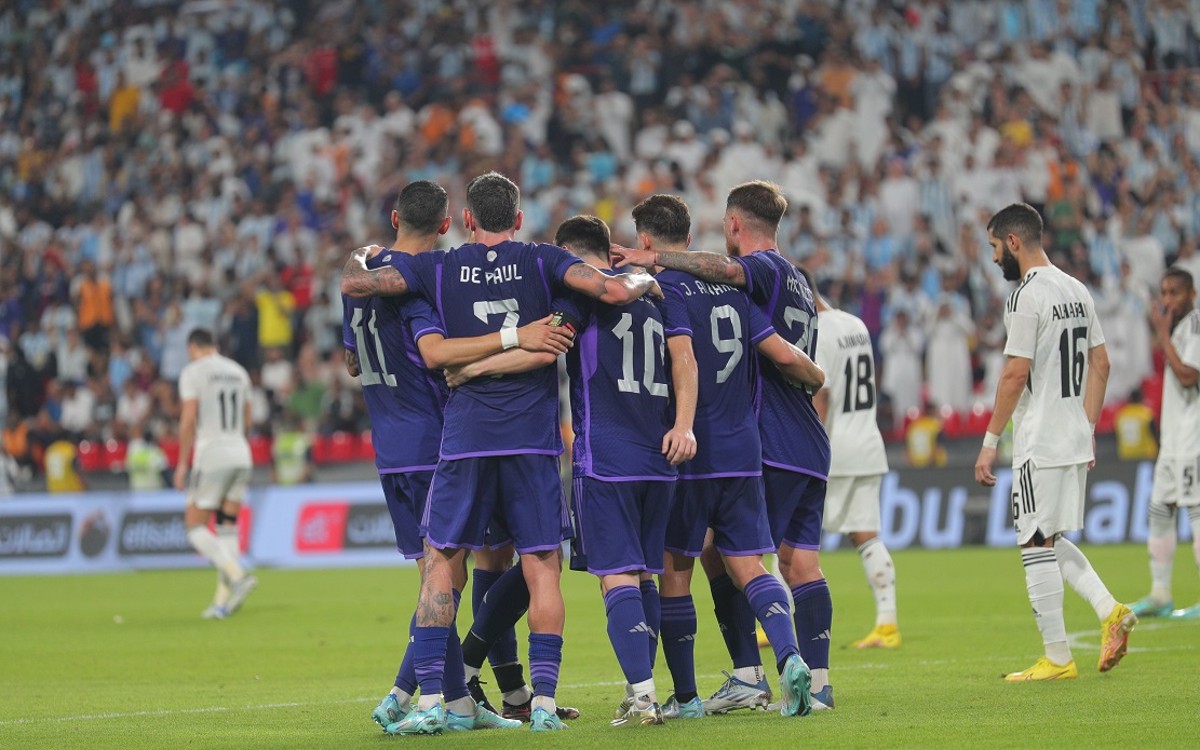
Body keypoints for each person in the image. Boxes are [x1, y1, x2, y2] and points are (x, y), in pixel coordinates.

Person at [341, 171, 661, 733]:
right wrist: (641, 277)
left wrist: (356, 257)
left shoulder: (435, 269)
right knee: (541, 567)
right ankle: (539, 703)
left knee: (441, 563)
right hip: (533, 442)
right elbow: (608, 291)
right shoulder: (543, 261)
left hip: (462, 441)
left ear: (465, 220)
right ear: (518, 218)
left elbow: (361, 289)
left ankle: (433, 702)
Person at [344, 181, 559, 735]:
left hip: (391, 449)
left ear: (394, 218)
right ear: (447, 226)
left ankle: (468, 692)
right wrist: (514, 338)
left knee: (456, 571)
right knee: (491, 564)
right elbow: (435, 355)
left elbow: (351, 359)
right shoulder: (425, 284)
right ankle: (447, 695)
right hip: (443, 439)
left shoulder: (364, 282)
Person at [612, 180, 833, 714]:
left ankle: (726, 682)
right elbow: (781, 350)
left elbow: (685, 354)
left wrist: (652, 260)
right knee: (788, 562)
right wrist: (817, 374)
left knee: (693, 564)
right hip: (794, 439)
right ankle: (812, 680)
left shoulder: (727, 278)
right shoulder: (794, 282)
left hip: (746, 441)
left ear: (734, 225)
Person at [973, 203, 1136, 681]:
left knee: (1033, 542)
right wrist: (1086, 429)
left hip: (1039, 437)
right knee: (1050, 537)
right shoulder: (1076, 288)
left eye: (994, 248)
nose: (994, 258)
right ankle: (1109, 611)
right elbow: (1102, 364)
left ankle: (1058, 658)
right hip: (1072, 434)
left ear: (1014, 243)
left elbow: (1014, 373)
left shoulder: (1026, 295)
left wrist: (989, 441)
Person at [551, 212, 698, 726]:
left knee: (615, 578)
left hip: (605, 456)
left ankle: (641, 697)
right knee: (645, 575)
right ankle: (645, 690)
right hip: (659, 456)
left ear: (572, 255)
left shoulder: (580, 296)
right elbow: (684, 362)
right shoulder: (659, 299)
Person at [807, 270, 899, 651]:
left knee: (786, 535)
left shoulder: (820, 332)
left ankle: (772, 622)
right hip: (868, 442)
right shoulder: (855, 323)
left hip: (836, 448)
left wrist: (810, 447)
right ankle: (887, 624)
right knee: (866, 535)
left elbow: (822, 396)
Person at [1130, 268, 1200, 620]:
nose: (1168, 299)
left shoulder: (1198, 325)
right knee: (1160, 511)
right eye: (1164, 293)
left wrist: (1162, 335)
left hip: (1194, 439)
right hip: (1174, 440)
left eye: (1175, 292)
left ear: (1193, 294)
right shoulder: (1178, 330)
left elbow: (1189, 376)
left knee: (1197, 513)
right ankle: (1160, 595)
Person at [175, 327, 257, 620]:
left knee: (193, 527)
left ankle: (237, 575)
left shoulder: (193, 371)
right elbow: (249, 419)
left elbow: (188, 420)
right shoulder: (239, 372)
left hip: (211, 452)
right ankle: (223, 603)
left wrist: (183, 462)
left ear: (193, 347)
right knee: (226, 526)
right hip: (240, 451)